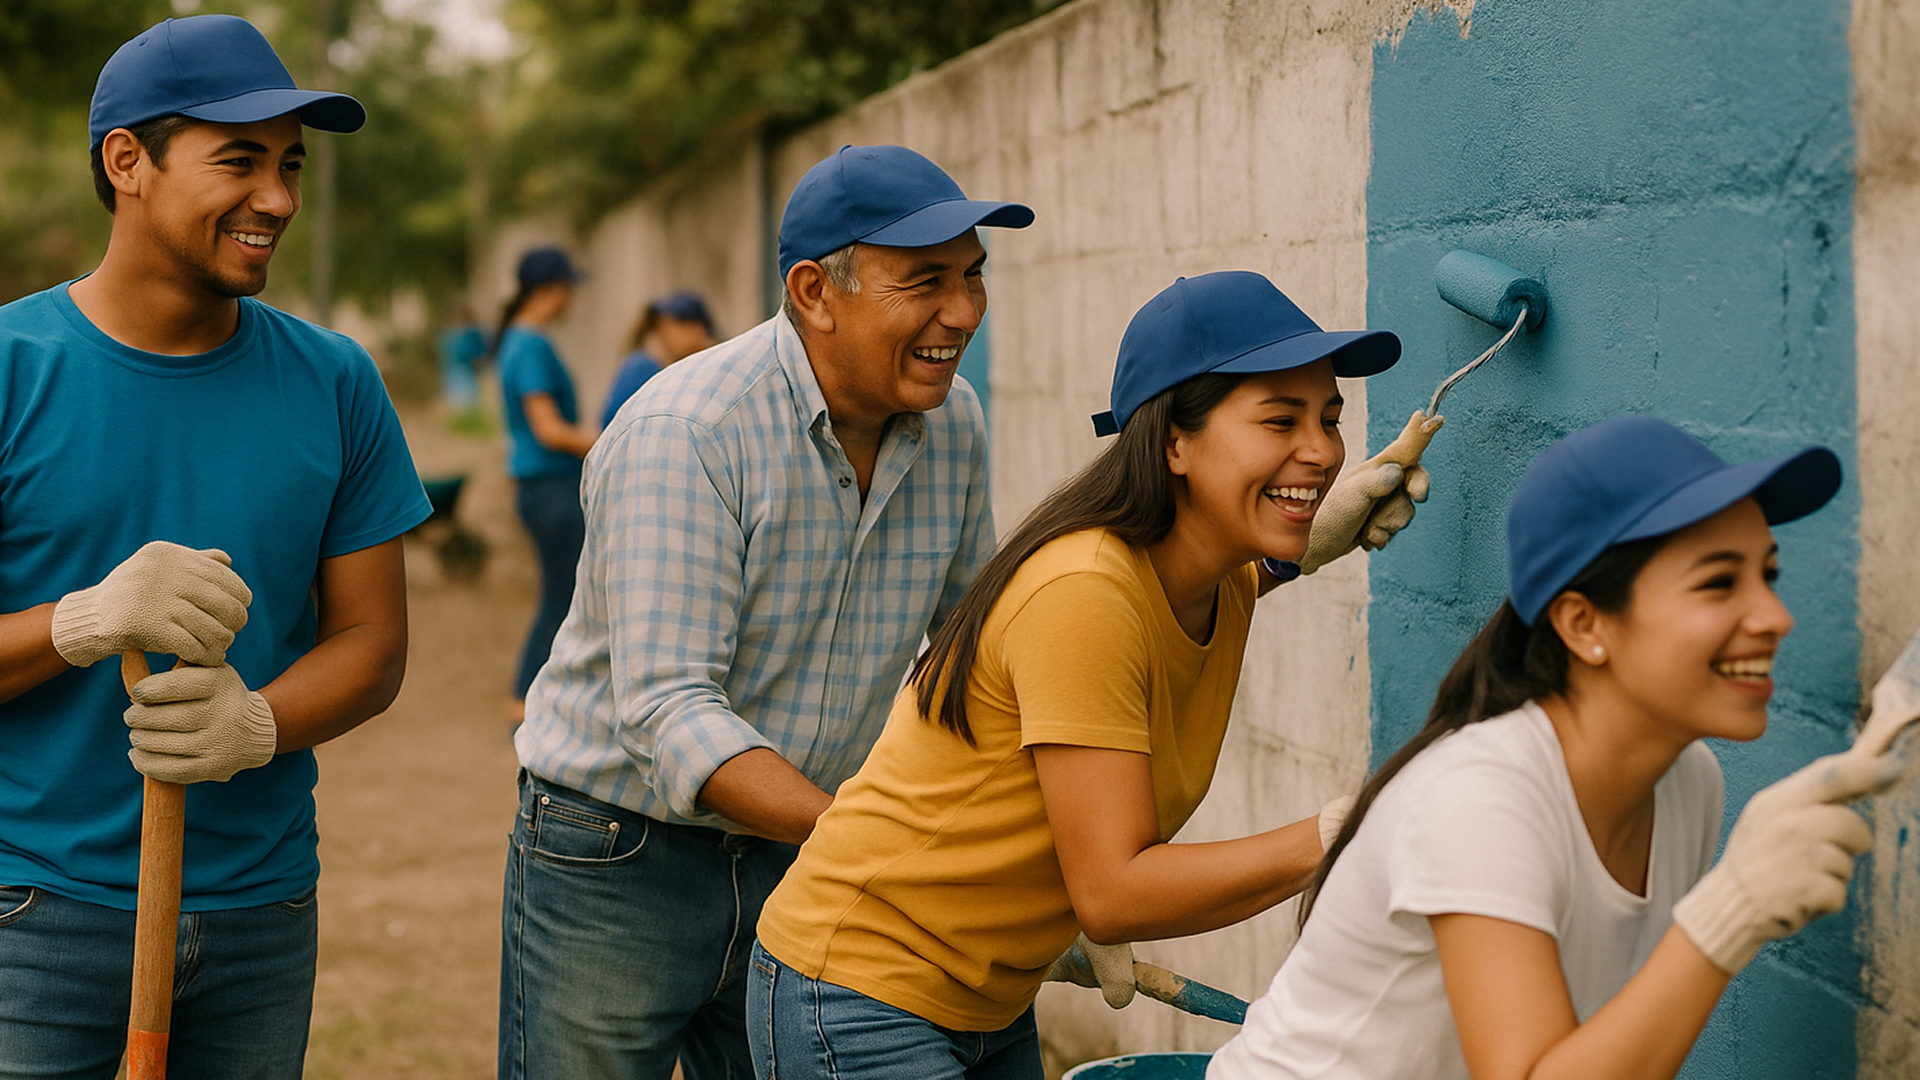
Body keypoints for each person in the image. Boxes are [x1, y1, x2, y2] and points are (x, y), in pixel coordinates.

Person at [748, 270, 1428, 1079]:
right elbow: (1114, 893)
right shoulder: (1084, 592)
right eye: (1280, 419)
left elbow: (1251, 578)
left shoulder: (1216, 575)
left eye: (1329, 418)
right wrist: (1344, 832)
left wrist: (1322, 530)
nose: (1321, 451)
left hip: (985, 999)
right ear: (1175, 441)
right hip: (858, 993)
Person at [496, 144, 1031, 1080]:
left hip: (809, 855)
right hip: (618, 859)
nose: (963, 313)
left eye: (974, 277)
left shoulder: (956, 423)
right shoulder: (688, 432)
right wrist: (876, 847)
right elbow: (670, 712)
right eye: (928, 282)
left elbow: (977, 650)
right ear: (817, 292)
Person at [1208, 415, 1904, 1080]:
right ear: (1584, 623)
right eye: (1719, 583)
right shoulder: (1483, 799)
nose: (1775, 616)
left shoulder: (1688, 781)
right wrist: (1731, 911)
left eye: (1768, 575)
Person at [0, 14, 430, 1077]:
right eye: (239, 160)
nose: (278, 199)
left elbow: (373, 644)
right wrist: (81, 621)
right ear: (127, 161)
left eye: (291, 166)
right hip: (31, 920)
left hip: (260, 919)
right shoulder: (10, 370)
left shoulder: (336, 384)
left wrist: (256, 723)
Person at [494, 245, 596, 723]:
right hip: (551, 488)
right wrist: (609, 441)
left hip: (543, 488)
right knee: (564, 593)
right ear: (550, 291)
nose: (573, 297)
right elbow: (548, 427)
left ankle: (528, 696)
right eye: (569, 287)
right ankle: (523, 699)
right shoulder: (531, 343)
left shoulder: (520, 340)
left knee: (562, 591)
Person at [599, 289, 718, 427]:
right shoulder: (642, 369)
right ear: (663, 324)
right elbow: (612, 428)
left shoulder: (674, 369)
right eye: (687, 326)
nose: (699, 337)